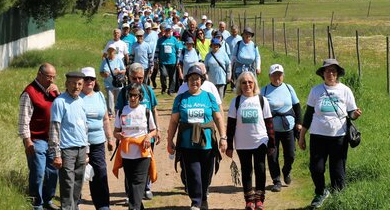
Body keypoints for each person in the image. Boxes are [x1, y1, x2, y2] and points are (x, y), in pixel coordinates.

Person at [298, 59, 363, 208]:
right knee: (316, 168)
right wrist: (302, 136)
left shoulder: (345, 90)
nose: (330, 73)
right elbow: (308, 115)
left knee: (338, 171)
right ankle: (320, 193)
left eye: (333, 71)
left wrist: (355, 115)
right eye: (327, 71)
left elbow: (351, 113)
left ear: (338, 73)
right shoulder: (316, 90)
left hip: (338, 137)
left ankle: (339, 200)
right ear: (323, 74)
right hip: (317, 136)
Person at [167, 64, 227, 210]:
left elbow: (218, 118)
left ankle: (203, 197)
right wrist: (170, 140)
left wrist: (223, 137)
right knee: (193, 172)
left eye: (197, 79)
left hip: (207, 143)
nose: (195, 81)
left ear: (202, 80)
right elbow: (174, 120)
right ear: (187, 80)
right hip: (187, 143)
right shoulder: (181, 98)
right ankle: (196, 201)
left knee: (206, 172)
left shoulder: (209, 96)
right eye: (192, 78)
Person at [226, 72, 276, 210]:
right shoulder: (235, 102)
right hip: (242, 143)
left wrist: (272, 143)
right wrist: (229, 145)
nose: (247, 85)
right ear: (239, 85)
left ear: (254, 84)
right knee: (246, 170)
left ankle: (259, 200)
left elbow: (269, 122)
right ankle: (249, 200)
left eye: (250, 82)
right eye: (244, 82)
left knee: (260, 169)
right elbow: (230, 125)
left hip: (260, 140)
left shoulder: (262, 100)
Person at [115, 63, 162, 200]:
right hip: (128, 137)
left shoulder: (148, 90)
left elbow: (154, 109)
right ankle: (130, 193)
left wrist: (157, 130)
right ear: (129, 77)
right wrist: (118, 134)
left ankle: (146, 188)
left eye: (140, 78)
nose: (138, 81)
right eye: (135, 78)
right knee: (129, 166)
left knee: (145, 163)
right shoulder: (124, 93)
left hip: (146, 136)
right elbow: (119, 112)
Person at [18, 63, 61, 210]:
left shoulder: (54, 92)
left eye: (54, 77)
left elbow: (63, 111)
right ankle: (37, 203)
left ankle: (48, 200)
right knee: (38, 172)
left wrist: (60, 94)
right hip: (36, 140)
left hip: (53, 139)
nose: (52, 80)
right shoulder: (29, 93)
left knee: (53, 171)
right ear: (39, 74)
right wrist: (27, 141)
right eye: (49, 77)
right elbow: (24, 120)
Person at [49, 71, 89, 210]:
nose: (76, 86)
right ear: (66, 84)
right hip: (67, 150)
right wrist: (57, 154)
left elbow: (85, 127)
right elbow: (55, 129)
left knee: (78, 183)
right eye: (73, 83)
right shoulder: (60, 102)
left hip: (82, 149)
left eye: (79, 84)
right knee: (67, 184)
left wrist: (87, 151)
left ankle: (73, 207)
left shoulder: (82, 101)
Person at [260, 64, 301, 193]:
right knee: (272, 156)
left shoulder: (289, 88)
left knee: (291, 155)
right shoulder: (264, 91)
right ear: (269, 76)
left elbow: (297, 106)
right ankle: (276, 180)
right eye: (274, 75)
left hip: (288, 128)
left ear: (283, 75)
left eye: (279, 74)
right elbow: (259, 109)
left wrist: (299, 123)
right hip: (271, 130)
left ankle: (286, 170)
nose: (277, 77)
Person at [80, 67, 114, 210]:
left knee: (100, 173)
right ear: (81, 81)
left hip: (98, 142)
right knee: (78, 174)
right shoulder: (76, 97)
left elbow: (106, 119)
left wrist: (110, 138)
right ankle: (74, 202)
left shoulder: (100, 96)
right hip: (80, 142)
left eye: (92, 79)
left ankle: (103, 205)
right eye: (86, 79)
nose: (89, 82)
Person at [100, 44, 126, 117]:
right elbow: (100, 72)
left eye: (112, 50)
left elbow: (124, 70)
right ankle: (110, 113)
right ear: (107, 51)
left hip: (118, 83)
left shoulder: (118, 60)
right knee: (110, 98)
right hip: (108, 83)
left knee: (118, 99)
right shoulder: (105, 61)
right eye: (109, 50)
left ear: (115, 51)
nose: (111, 51)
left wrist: (119, 71)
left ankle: (118, 112)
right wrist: (104, 74)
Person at [156, 24, 179, 95]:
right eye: (166, 30)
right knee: (163, 75)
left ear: (171, 31)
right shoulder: (160, 40)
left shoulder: (174, 39)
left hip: (173, 61)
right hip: (163, 62)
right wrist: (155, 60)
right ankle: (164, 88)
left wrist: (178, 60)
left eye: (169, 30)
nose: (168, 32)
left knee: (173, 77)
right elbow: (157, 50)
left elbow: (178, 50)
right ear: (164, 31)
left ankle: (171, 90)